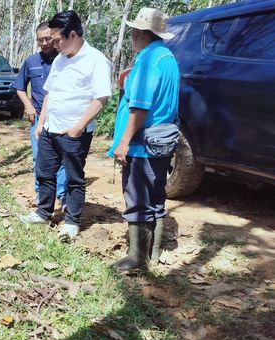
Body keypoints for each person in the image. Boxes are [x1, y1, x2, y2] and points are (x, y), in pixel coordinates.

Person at [19, 10, 112, 241]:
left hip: (74, 133)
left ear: (72, 35)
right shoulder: (60, 59)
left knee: (73, 178)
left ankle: (71, 221)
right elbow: (50, 94)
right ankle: (43, 212)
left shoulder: (96, 60)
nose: (53, 44)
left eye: (57, 39)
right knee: (44, 172)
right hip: (50, 129)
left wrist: (78, 127)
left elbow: (101, 98)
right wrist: (41, 124)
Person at [108, 8, 180, 273]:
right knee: (155, 197)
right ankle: (153, 253)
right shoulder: (167, 57)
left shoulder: (148, 60)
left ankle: (137, 259)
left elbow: (140, 107)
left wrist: (124, 142)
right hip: (163, 139)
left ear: (138, 32)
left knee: (137, 198)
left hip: (143, 142)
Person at [13, 22, 66, 207]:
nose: (44, 43)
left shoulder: (64, 59)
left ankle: (62, 195)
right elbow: (19, 87)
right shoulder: (31, 62)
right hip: (38, 120)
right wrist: (28, 106)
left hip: (60, 118)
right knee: (39, 158)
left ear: (54, 37)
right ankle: (40, 193)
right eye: (40, 40)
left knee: (62, 160)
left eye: (47, 39)